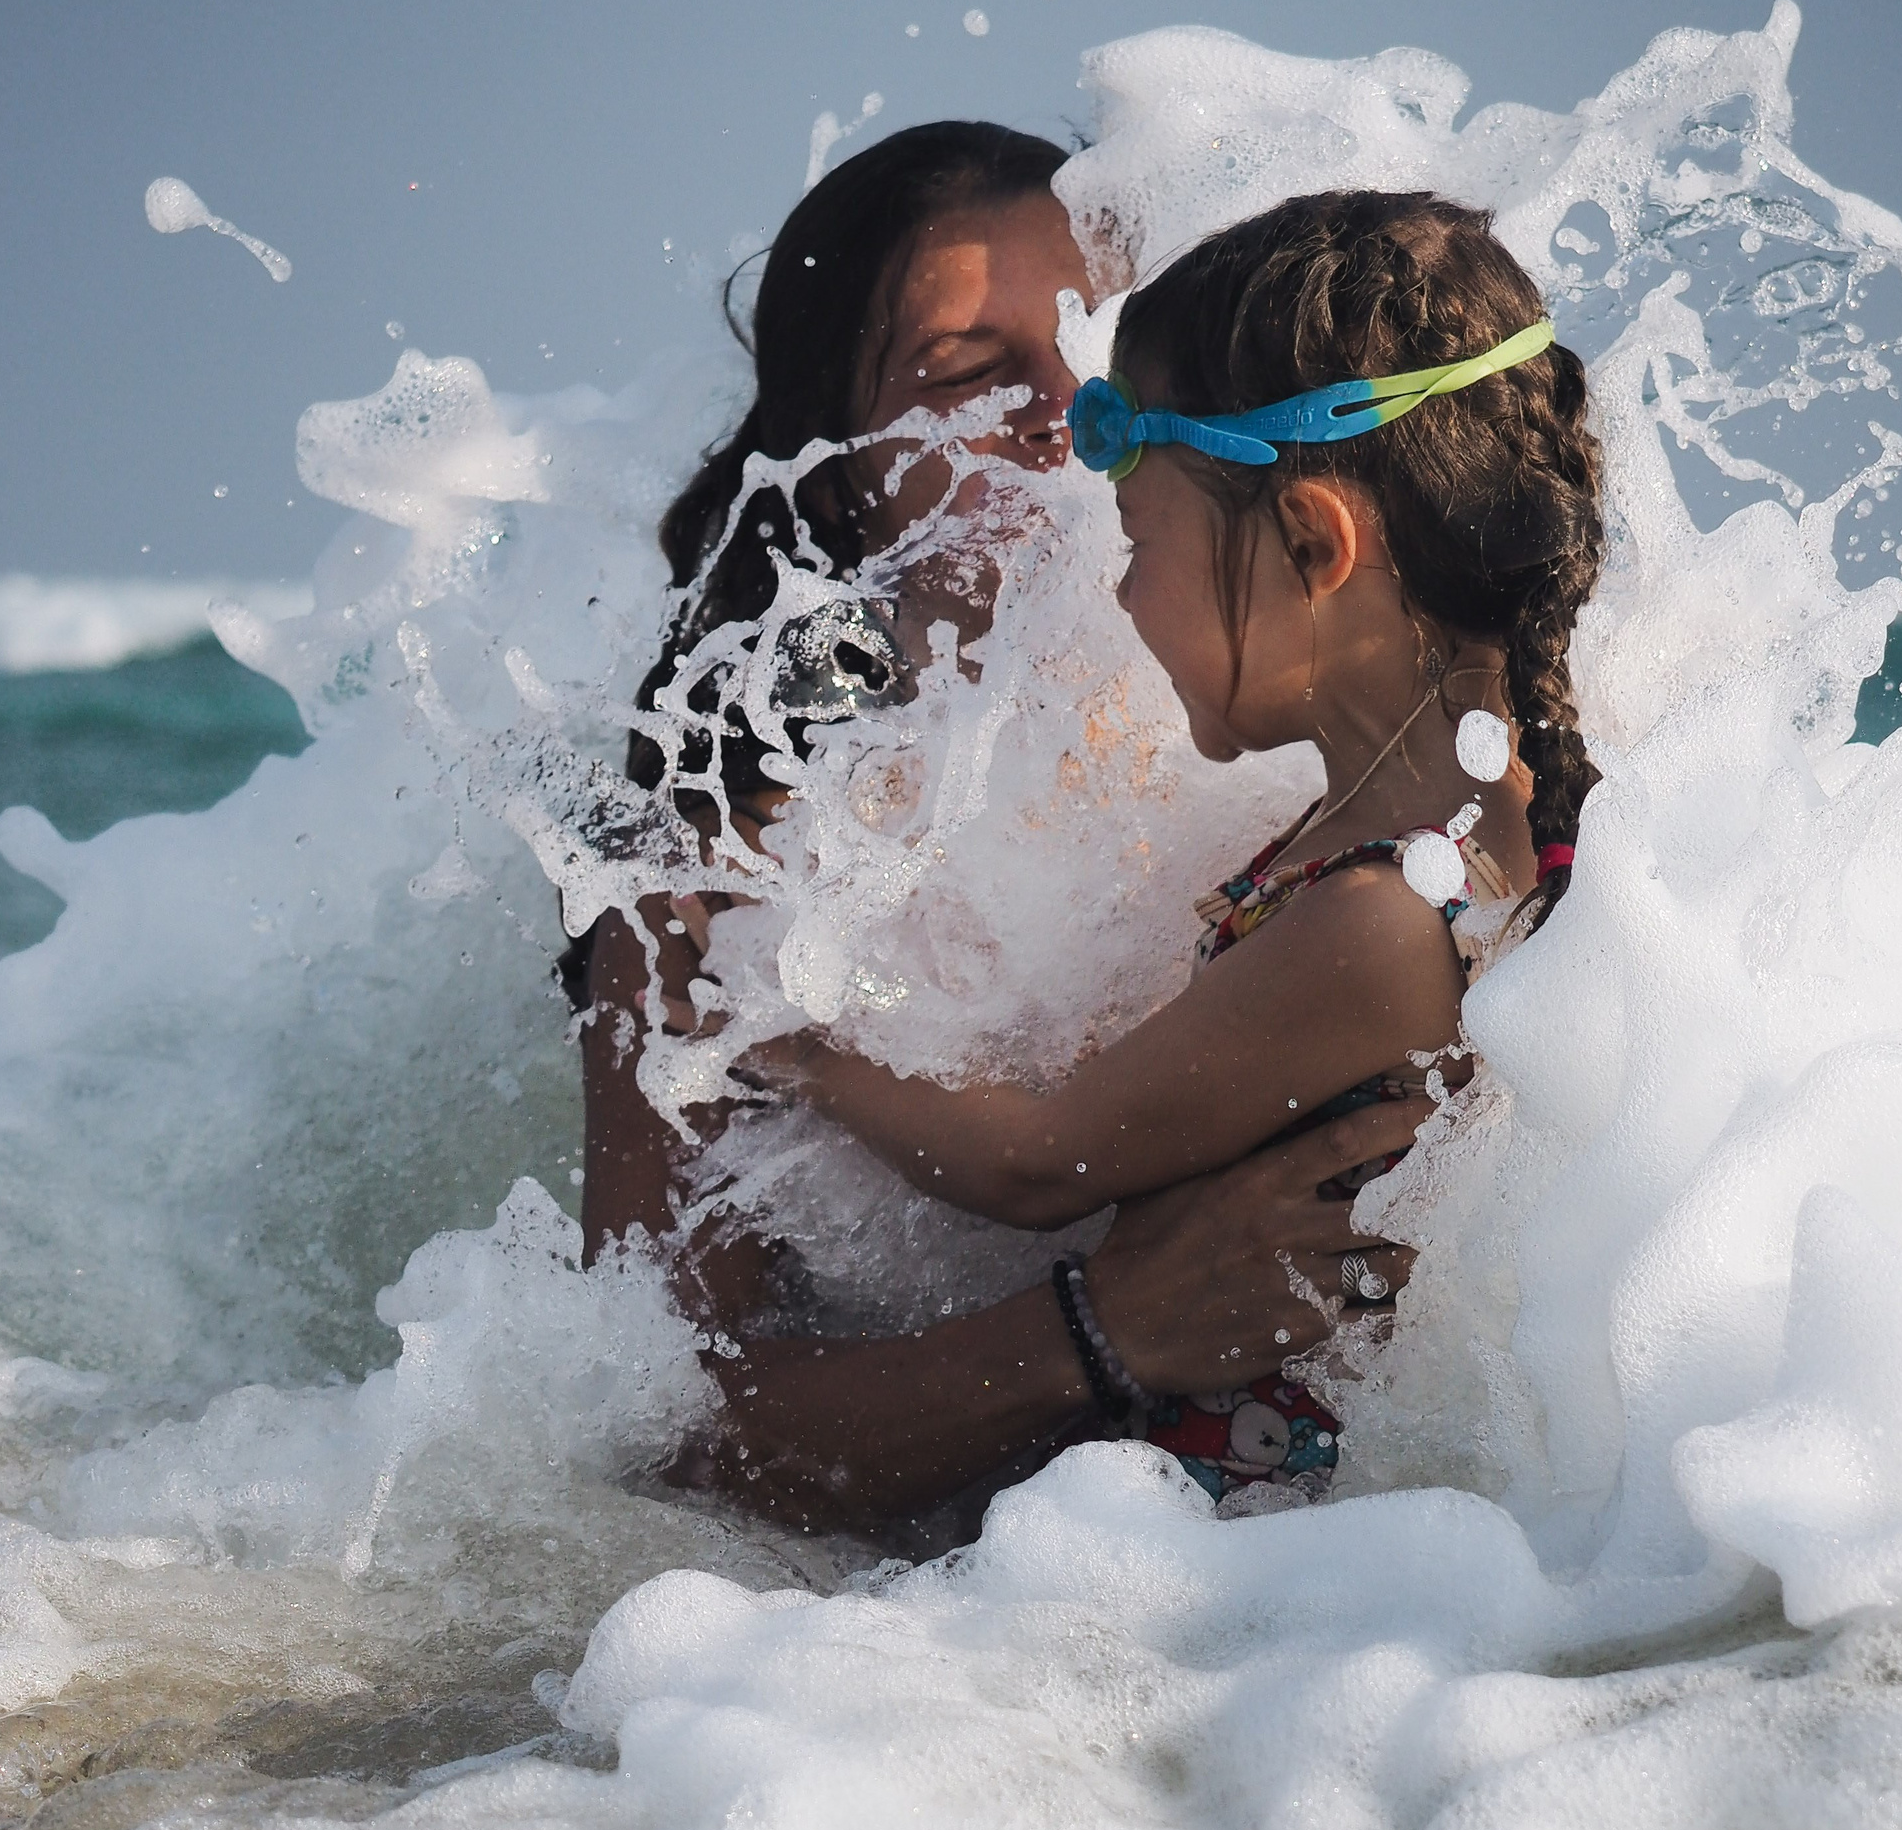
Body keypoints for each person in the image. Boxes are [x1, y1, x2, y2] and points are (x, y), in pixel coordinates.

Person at [571, 125, 1424, 1542]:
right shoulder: (716, 892)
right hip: (959, 1654)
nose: (1062, 409)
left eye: (1099, 340)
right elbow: (659, 1450)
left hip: (1383, 1590)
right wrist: (1095, 1335)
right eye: (970, 374)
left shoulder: (1315, 757)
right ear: (843, 479)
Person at [749, 189, 1604, 1504]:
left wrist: (791, 1049)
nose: (1124, 589)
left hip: (1238, 1552)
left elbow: (1036, 1162)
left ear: (1314, 542)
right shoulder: (1456, 827)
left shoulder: (1378, 915)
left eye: (1145, 539)